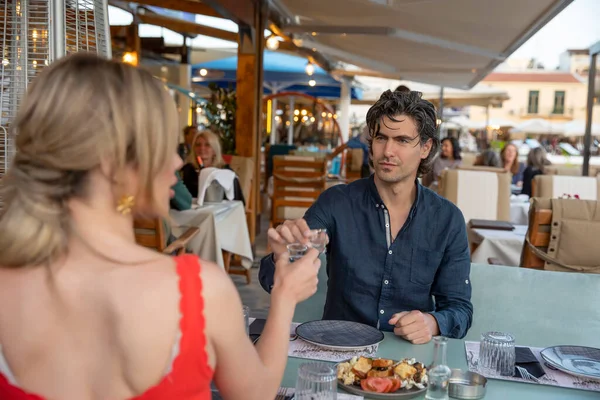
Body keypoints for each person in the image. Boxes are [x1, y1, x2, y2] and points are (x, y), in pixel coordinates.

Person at [0, 53, 321, 400]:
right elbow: (255, 394)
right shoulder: (197, 291)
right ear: (115, 162)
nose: (178, 160)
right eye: (165, 146)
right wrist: (285, 295)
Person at [259, 90, 473, 343]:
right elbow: (272, 279)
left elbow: (460, 309)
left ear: (426, 147)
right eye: (381, 138)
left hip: (407, 363)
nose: (388, 151)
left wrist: (433, 322)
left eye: (403, 140)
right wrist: (282, 254)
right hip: (339, 349)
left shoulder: (447, 219)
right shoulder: (337, 202)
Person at [180, 130, 245, 204]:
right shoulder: (188, 170)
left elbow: (237, 201)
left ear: (214, 150)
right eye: (198, 145)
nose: (202, 148)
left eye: (207, 145)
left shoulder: (225, 172)